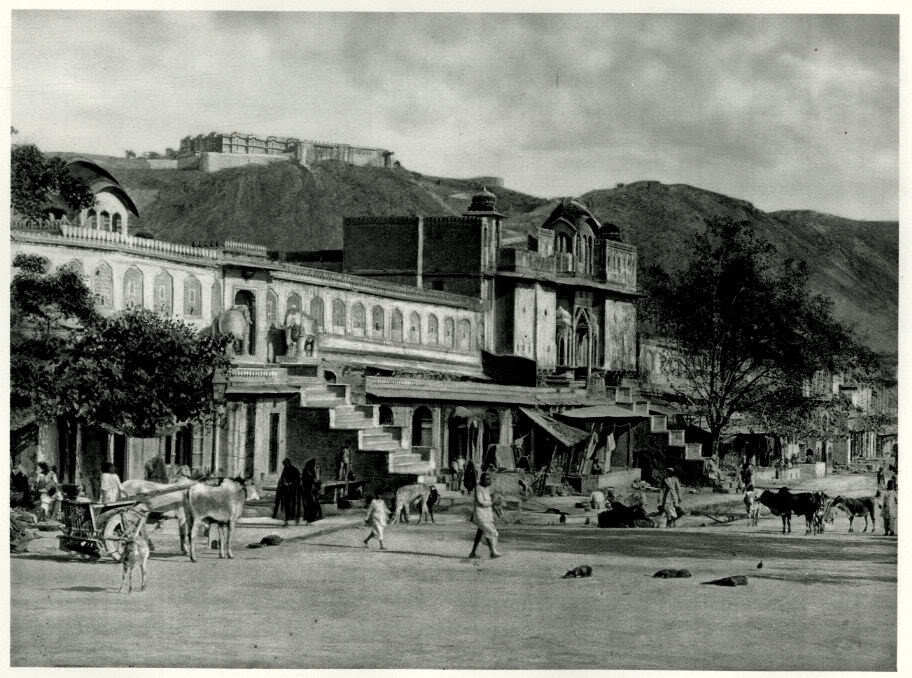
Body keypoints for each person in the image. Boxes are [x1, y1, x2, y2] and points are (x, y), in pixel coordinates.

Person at [468, 472, 502, 559]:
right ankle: (493, 551)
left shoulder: (487, 488)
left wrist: (497, 510)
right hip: (480, 515)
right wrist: (492, 502)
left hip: (487, 515)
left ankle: (473, 553)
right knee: (491, 532)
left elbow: (491, 503)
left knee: (480, 533)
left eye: (489, 479)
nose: (488, 481)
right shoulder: (478, 488)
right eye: (486, 479)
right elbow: (480, 502)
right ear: (482, 480)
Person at [273, 458, 303, 527]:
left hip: (294, 491)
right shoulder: (285, 469)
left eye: (285, 464)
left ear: (288, 463)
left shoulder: (294, 470)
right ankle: (286, 520)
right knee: (286, 505)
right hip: (286, 491)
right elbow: (282, 478)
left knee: (294, 505)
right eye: (284, 464)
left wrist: (290, 483)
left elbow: (298, 480)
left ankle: (296, 520)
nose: (285, 465)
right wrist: (283, 483)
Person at [301, 458, 323, 523]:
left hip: (311, 489)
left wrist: (316, 483)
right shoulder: (307, 471)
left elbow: (316, 480)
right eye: (313, 464)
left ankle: (313, 517)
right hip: (307, 489)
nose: (314, 466)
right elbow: (307, 479)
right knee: (308, 503)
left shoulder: (312, 471)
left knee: (312, 503)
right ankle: (309, 516)